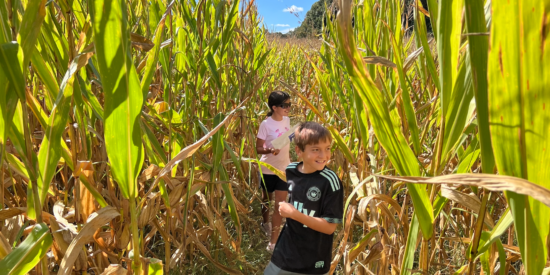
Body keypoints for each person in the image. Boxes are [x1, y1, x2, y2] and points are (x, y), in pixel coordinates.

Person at [265, 122, 344, 275]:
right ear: (299, 151)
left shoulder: (330, 181)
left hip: (313, 259)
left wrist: (294, 214)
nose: (323, 155)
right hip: (285, 250)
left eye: (327, 149)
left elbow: (329, 227)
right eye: (316, 150)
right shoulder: (291, 171)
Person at [256, 91, 292, 251]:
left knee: (279, 204)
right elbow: (258, 148)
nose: (288, 108)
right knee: (266, 199)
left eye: (290, 104)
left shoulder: (287, 120)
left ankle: (275, 240)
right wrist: (269, 150)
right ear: (274, 107)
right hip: (267, 169)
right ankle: (265, 223)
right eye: (285, 105)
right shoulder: (266, 124)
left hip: (283, 168)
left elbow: (288, 138)